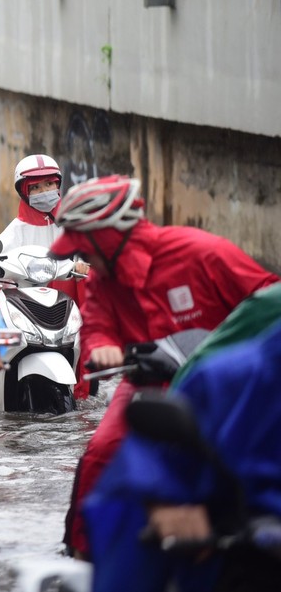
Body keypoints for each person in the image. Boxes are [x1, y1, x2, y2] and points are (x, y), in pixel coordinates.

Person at [47, 175, 278, 559]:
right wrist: (103, 348)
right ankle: (84, 555)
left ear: (108, 237)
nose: (83, 259)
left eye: (86, 248)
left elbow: (269, 303)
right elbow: (98, 324)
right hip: (149, 385)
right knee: (101, 452)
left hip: (224, 386)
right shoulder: (102, 279)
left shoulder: (204, 253)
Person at [85, 309, 281, 592]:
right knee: (101, 450)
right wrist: (164, 500)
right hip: (153, 381)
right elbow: (151, 464)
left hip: (173, 373)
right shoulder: (231, 381)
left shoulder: (216, 265)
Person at [0, 153, 63, 251]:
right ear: (24, 193)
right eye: (35, 187)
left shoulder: (74, 224)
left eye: (49, 184)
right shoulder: (15, 232)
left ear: (57, 185)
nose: (44, 191)